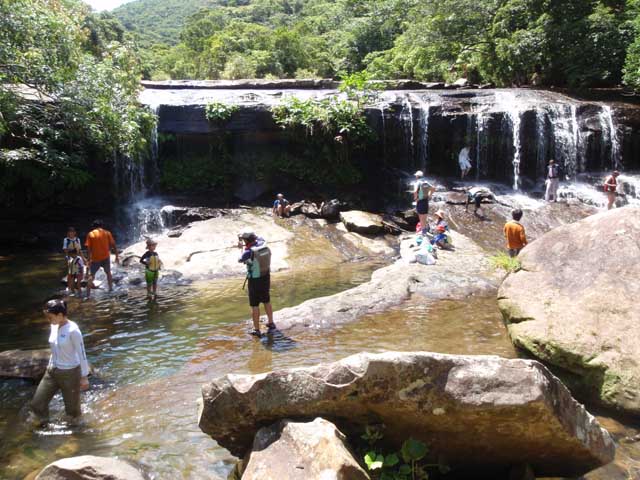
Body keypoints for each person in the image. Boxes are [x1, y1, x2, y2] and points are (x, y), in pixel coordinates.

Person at [30, 299, 89, 424]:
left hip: (70, 373)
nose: (48, 320)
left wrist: (84, 377)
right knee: (37, 404)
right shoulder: (54, 325)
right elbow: (54, 346)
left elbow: (82, 354)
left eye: (50, 317)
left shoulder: (73, 330)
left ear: (60, 315)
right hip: (51, 371)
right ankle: (44, 426)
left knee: (73, 414)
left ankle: (78, 436)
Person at [238, 230, 276, 337]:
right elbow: (260, 237)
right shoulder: (262, 243)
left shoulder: (248, 252)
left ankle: (256, 329)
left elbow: (240, 260)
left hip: (254, 280)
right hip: (266, 277)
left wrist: (241, 248)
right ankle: (271, 322)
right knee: (266, 300)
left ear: (247, 241)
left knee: (254, 305)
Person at [85, 219, 119, 297]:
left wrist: (88, 259)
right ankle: (111, 289)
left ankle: (87, 295)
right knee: (108, 273)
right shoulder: (107, 233)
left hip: (95, 258)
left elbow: (88, 249)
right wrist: (117, 256)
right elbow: (113, 245)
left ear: (94, 226)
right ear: (102, 226)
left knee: (91, 275)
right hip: (106, 257)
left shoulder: (90, 234)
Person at [413, 171, 435, 236]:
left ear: (417, 176)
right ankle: (424, 231)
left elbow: (415, 191)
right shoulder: (426, 182)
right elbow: (433, 188)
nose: (415, 177)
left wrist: (416, 199)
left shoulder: (417, 183)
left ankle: (423, 233)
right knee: (424, 218)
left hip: (420, 201)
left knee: (421, 218)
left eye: (416, 176)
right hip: (426, 201)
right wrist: (430, 195)